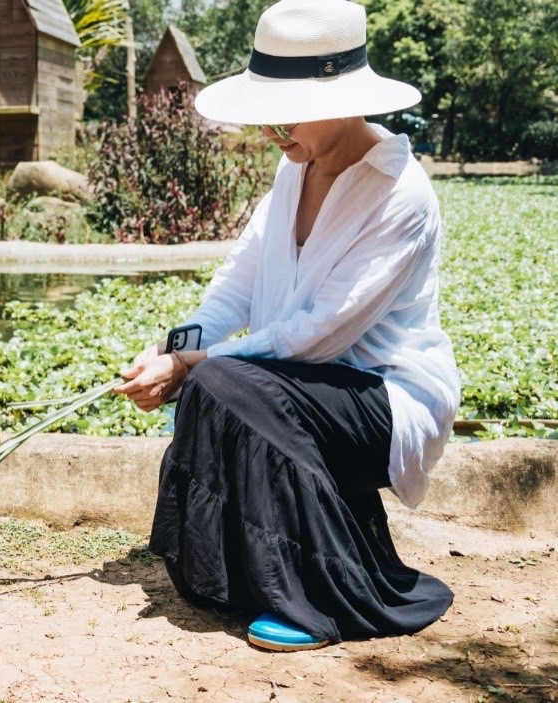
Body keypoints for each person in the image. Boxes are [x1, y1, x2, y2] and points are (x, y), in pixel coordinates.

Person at [112, 0, 460, 652]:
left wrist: (193, 364)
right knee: (219, 378)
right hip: (294, 390)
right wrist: (168, 348)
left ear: (341, 97)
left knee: (222, 379)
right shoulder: (291, 169)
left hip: (381, 400)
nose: (271, 129)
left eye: (286, 110)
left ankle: (318, 600)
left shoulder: (399, 193)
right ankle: (255, 577)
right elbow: (234, 287)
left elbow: (317, 334)